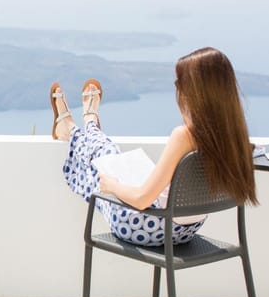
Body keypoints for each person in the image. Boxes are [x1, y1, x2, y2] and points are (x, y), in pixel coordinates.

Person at [50, 47, 258, 246]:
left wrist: (111, 186)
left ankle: (77, 127)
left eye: (180, 85)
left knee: (104, 157)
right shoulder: (235, 138)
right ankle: (84, 125)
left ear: (194, 93)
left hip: (147, 227)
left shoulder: (185, 136)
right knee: (111, 156)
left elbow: (141, 201)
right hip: (187, 231)